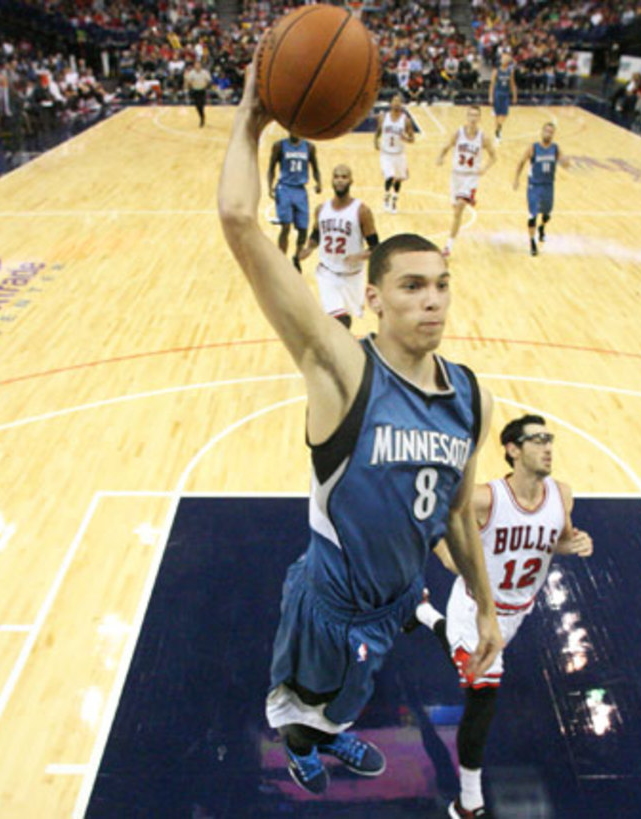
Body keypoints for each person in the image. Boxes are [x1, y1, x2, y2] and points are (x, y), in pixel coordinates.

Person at [218, 62, 504, 797]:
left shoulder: (470, 395)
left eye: (442, 284)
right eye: (412, 286)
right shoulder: (344, 370)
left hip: (392, 602)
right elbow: (240, 223)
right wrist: (250, 123)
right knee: (300, 706)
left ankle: (331, 736)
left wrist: (486, 608)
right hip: (329, 601)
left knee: (346, 703)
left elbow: (456, 516)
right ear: (372, 297)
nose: (432, 301)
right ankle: (302, 749)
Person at [414, 415, 594, 819]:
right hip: (477, 611)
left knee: (466, 666)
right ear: (513, 450)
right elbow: (439, 519)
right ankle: (468, 803)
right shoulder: (485, 499)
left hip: (517, 612)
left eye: (549, 439)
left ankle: (423, 613)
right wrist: (449, 559)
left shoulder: (562, 495)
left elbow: (558, 540)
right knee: (482, 697)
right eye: (537, 440)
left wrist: (575, 543)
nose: (548, 447)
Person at [296, 165, 378, 329]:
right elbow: (316, 235)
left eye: (344, 177)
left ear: (351, 181)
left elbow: (376, 246)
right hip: (328, 273)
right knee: (339, 319)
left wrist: (359, 256)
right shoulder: (321, 209)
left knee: (346, 318)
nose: (340, 180)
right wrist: (309, 248)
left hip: (353, 275)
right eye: (337, 176)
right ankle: (338, 352)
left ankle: (342, 348)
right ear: (332, 180)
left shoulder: (362, 211)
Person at [437, 105, 497, 258]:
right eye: (470, 115)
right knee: (455, 211)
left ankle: (448, 246)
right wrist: (441, 157)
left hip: (470, 177)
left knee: (459, 209)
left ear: (479, 118)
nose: (473, 118)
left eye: (476, 115)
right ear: (467, 117)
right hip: (456, 175)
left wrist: (485, 168)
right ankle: (467, 199)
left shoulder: (483, 137)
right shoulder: (458, 133)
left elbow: (493, 156)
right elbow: (446, 146)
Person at [267, 133, 322, 270]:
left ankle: (296, 257)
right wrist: (269, 187)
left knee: (303, 229)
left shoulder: (309, 147)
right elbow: (271, 168)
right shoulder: (279, 146)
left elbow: (315, 168)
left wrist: (319, 182)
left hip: (300, 190)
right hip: (284, 188)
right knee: (286, 226)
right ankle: (281, 260)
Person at [513, 122, 569, 255]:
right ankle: (532, 243)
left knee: (547, 214)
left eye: (550, 132)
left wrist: (566, 162)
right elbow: (521, 162)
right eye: (546, 131)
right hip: (534, 185)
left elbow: (565, 163)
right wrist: (516, 179)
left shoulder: (555, 149)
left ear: (553, 134)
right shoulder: (533, 148)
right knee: (532, 215)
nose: (548, 134)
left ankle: (542, 227)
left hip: (548, 185)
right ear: (541, 132)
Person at [375, 93, 416, 214]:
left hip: (399, 154)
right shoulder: (383, 117)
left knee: (398, 179)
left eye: (399, 101)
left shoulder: (406, 120)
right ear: (391, 103)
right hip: (386, 153)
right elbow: (378, 131)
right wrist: (375, 141)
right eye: (394, 101)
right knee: (389, 176)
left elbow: (412, 139)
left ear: (402, 104)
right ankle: (386, 197)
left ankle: (394, 200)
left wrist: (406, 139)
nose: (396, 103)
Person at [489, 52, 517, 142]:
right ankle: (497, 133)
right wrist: (490, 96)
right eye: (503, 58)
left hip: (506, 94)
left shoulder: (510, 71)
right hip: (498, 94)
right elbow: (492, 84)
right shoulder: (496, 71)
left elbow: (512, 84)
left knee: (504, 115)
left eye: (506, 58)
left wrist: (514, 96)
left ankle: (498, 128)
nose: (504, 60)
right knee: (497, 115)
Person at [183, 59, 213, 127]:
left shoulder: (205, 72)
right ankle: (201, 116)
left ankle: (202, 118)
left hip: (202, 90)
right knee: (197, 106)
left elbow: (209, 80)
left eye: (198, 64)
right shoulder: (191, 73)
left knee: (201, 104)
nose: (197, 66)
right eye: (196, 64)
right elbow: (188, 81)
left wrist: (206, 85)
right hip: (195, 91)